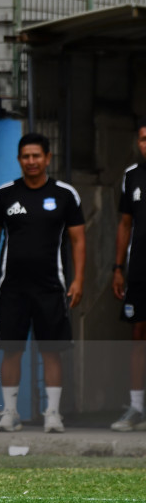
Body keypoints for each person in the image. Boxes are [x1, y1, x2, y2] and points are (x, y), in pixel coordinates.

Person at [0, 132, 86, 434]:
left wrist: (79, 279)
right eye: (25, 156)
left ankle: (53, 413)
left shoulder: (66, 195)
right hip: (12, 287)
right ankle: (10, 413)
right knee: (11, 349)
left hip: (52, 286)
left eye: (36, 156)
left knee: (51, 350)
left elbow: (78, 240)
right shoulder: (4, 195)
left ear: (48, 158)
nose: (31, 161)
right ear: (19, 160)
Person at [111, 118, 146, 432]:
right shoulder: (131, 177)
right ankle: (136, 408)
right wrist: (118, 268)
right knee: (137, 338)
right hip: (138, 273)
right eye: (144, 139)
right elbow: (124, 225)